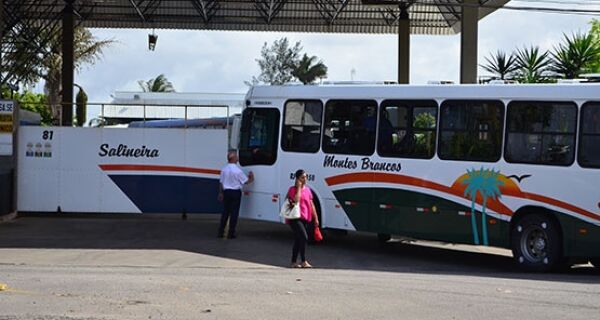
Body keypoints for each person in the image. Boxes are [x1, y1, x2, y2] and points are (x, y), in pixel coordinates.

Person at [285, 169, 319, 268]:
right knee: (304, 237)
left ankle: (293, 262)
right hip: (294, 218)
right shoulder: (292, 189)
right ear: (297, 179)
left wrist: (316, 218)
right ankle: (303, 261)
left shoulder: (308, 190)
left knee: (298, 239)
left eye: (306, 177)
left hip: (305, 217)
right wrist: (299, 187)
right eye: (302, 177)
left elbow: (311, 204)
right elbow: (296, 200)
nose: (305, 179)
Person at [217, 150, 254, 239]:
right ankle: (231, 233)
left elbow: (221, 183)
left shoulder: (224, 169)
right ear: (233, 159)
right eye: (236, 157)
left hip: (226, 192)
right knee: (234, 213)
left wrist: (220, 193)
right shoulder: (238, 171)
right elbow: (246, 181)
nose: (238, 158)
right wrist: (252, 178)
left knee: (225, 212)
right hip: (235, 193)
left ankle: (220, 232)